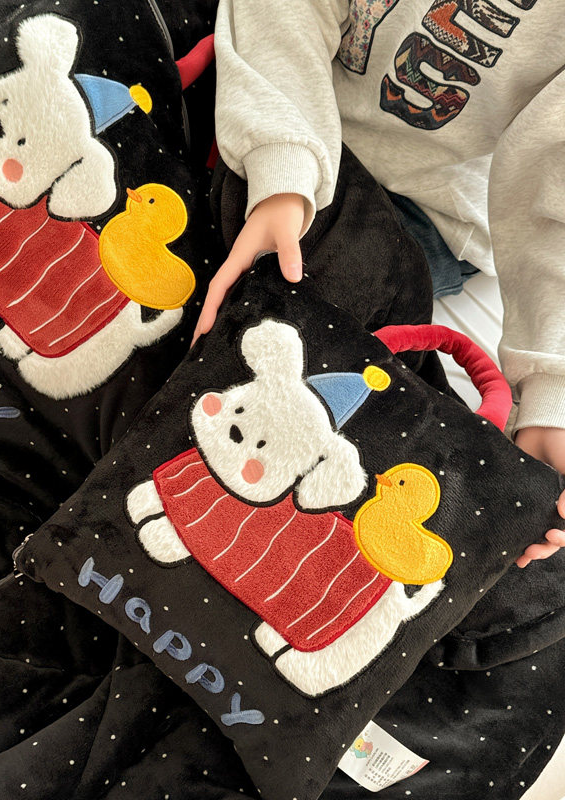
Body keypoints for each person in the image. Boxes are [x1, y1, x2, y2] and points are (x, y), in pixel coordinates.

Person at [192, 0, 565, 567]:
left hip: (425, 213)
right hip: (280, 106)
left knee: (307, 310)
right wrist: (284, 168)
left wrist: (552, 392)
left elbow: (554, 188)